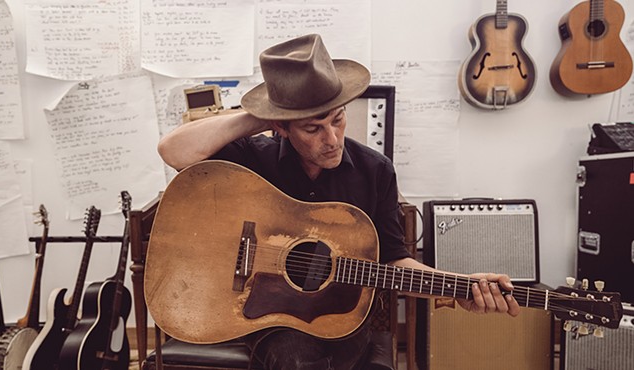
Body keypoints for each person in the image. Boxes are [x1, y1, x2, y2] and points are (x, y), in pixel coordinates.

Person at [158, 34, 520, 370]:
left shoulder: (374, 171)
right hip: (262, 313)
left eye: (338, 119)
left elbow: (394, 259)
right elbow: (173, 151)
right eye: (313, 129)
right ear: (281, 127)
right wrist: (259, 116)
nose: (332, 139)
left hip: (338, 318)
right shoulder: (255, 158)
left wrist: (457, 286)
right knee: (292, 355)